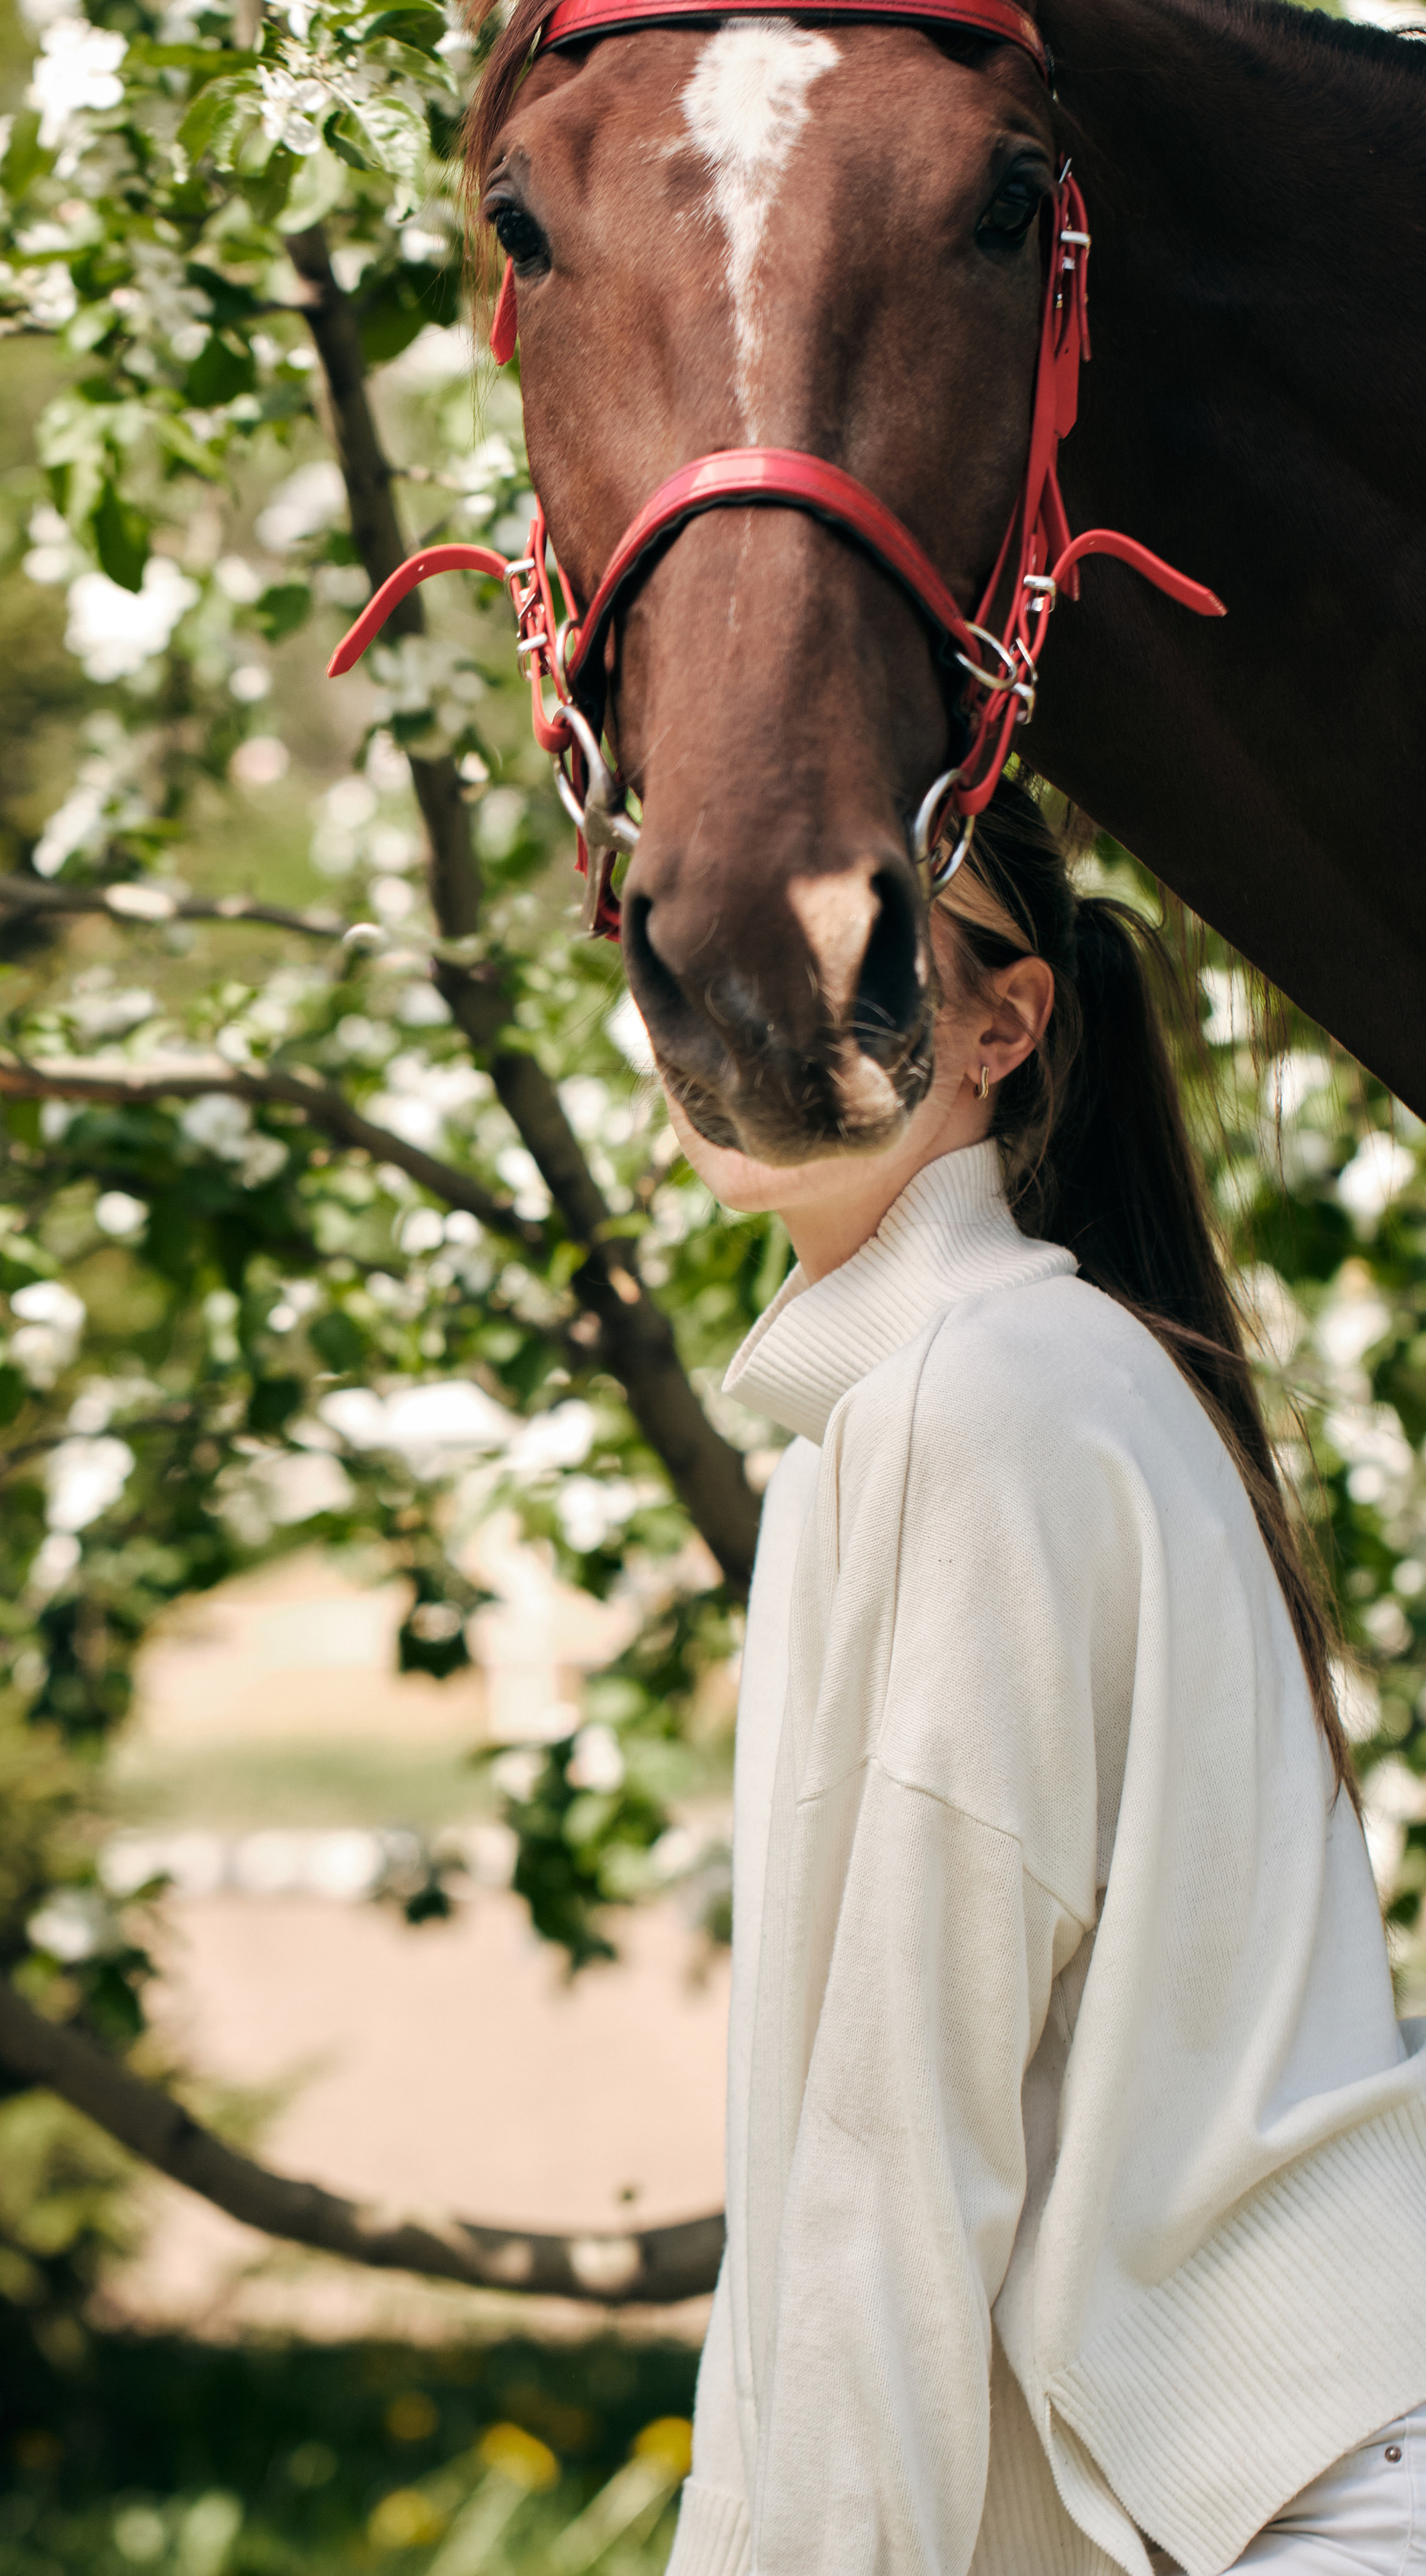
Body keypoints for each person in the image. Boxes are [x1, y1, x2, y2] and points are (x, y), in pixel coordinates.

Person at [661, 775, 1426, 2576]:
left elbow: (892, 2169)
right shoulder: (963, 1391)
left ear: (1008, 1020)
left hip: (1259, 2515)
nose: (746, 986)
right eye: (686, 935)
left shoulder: (978, 1403)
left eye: (841, 926)